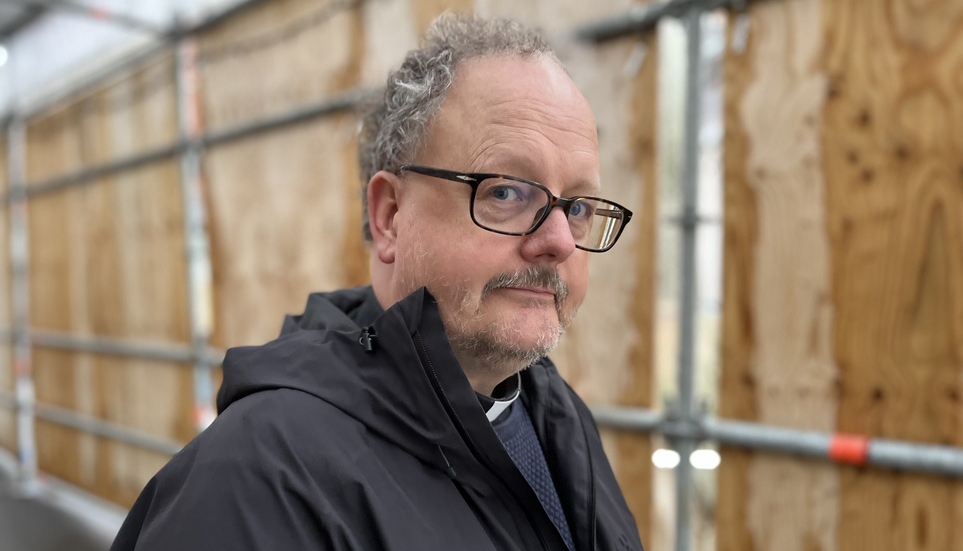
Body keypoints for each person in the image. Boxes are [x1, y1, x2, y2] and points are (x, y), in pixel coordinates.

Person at [112, 13, 643, 551]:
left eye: (578, 207)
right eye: (506, 192)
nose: (560, 241)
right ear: (390, 216)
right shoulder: (257, 480)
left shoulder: (558, 417)